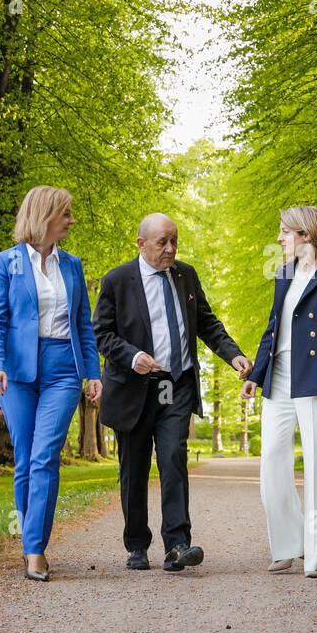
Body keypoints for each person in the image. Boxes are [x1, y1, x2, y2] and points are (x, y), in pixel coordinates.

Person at [92, 213, 251, 573]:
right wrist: (132, 356)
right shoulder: (117, 280)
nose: (170, 248)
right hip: (133, 387)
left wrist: (234, 354)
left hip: (173, 385)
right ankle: (136, 544)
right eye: (162, 242)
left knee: (173, 459)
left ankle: (177, 544)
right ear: (141, 243)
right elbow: (101, 333)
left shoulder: (185, 275)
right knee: (133, 468)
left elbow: (207, 323)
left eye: (174, 241)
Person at [0, 186, 102, 582]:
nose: (70, 221)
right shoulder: (7, 262)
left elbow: (83, 323)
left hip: (63, 369)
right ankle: (29, 543)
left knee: (44, 455)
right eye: (65, 214)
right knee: (24, 461)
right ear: (44, 216)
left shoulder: (72, 264)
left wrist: (93, 372)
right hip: (17, 372)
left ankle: (35, 549)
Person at [243, 205, 317, 578]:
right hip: (280, 374)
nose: (279, 239)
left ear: (305, 234)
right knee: (272, 462)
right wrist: (256, 374)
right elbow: (273, 325)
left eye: (284, 232)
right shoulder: (283, 272)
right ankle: (290, 543)